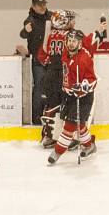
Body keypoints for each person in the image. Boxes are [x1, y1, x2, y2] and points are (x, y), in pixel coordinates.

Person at [47, 29, 98, 164]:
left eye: (74, 41)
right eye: (69, 41)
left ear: (79, 44)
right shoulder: (66, 53)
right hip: (69, 95)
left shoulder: (84, 59)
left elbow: (92, 80)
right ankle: (89, 146)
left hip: (83, 98)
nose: (70, 43)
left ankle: (57, 152)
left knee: (70, 125)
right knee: (79, 125)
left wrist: (83, 87)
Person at [38, 9, 76, 147]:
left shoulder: (50, 34)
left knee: (51, 104)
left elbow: (42, 55)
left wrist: (50, 63)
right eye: (72, 19)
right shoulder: (70, 35)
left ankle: (48, 136)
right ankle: (63, 136)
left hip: (50, 73)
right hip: (62, 74)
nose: (74, 22)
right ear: (64, 21)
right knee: (64, 105)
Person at [20, 0, 51, 126]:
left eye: (44, 4)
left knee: (52, 86)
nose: (43, 7)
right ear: (33, 6)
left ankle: (51, 113)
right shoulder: (30, 20)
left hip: (51, 58)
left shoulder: (51, 17)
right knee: (38, 86)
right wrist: (25, 31)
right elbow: (22, 34)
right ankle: (36, 115)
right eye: (40, 5)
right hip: (37, 60)